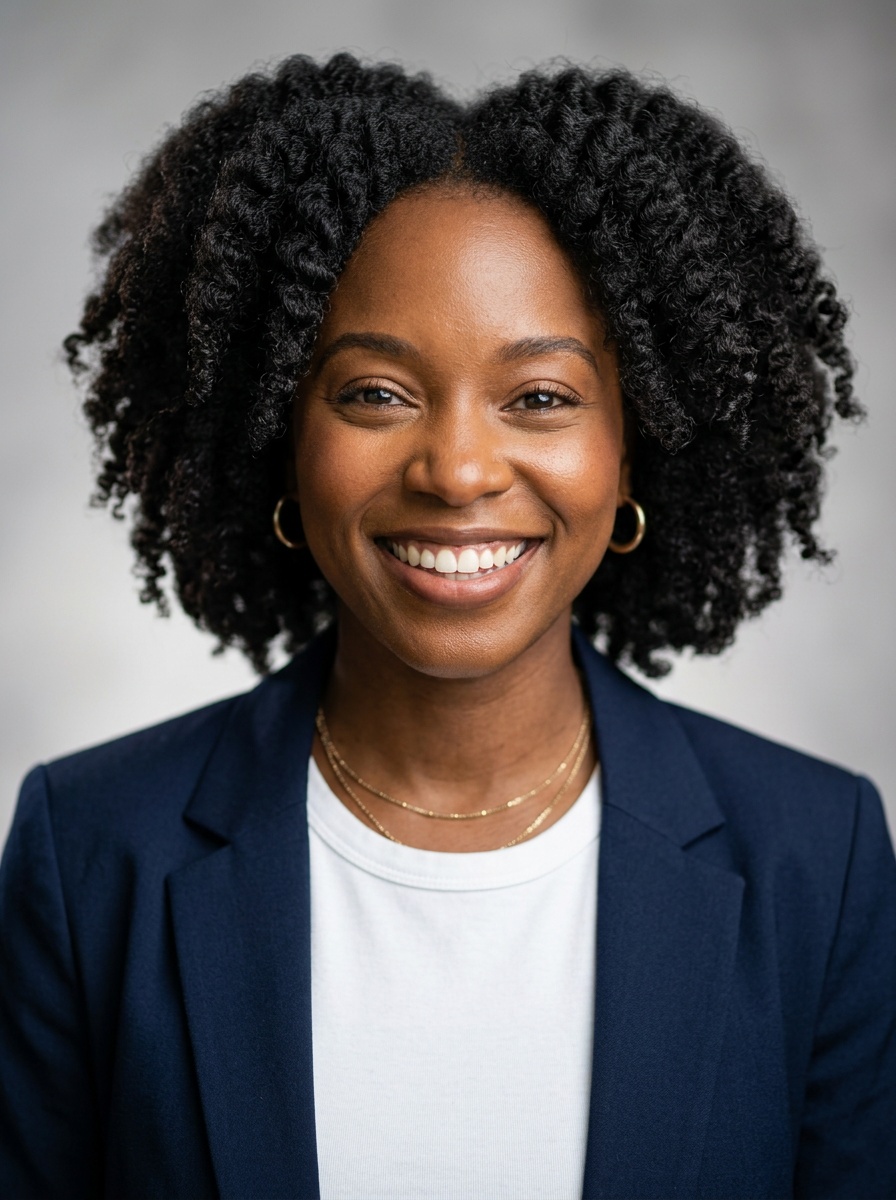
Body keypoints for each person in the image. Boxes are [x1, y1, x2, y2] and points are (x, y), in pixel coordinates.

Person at [1, 52, 894, 1200]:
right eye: (375, 392)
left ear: (633, 445)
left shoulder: (812, 862)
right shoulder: (91, 853)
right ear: (280, 428)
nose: (458, 469)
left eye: (540, 398)